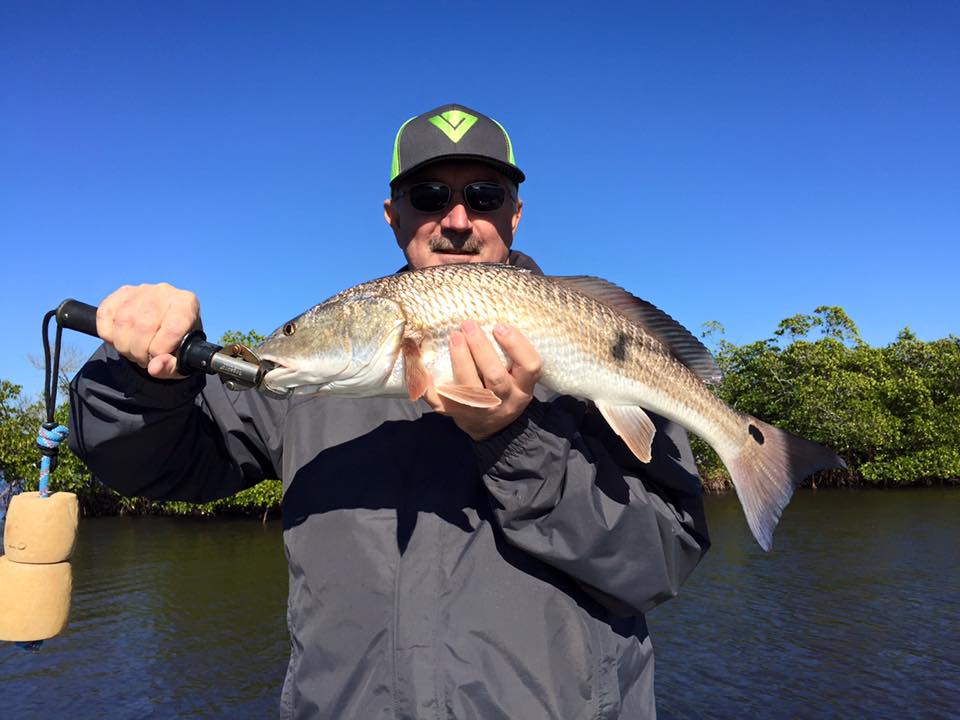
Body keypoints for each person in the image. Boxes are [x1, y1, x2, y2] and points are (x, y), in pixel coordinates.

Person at [69, 103, 710, 719]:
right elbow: (150, 465)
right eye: (428, 197)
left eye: (484, 196)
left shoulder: (606, 344)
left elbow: (659, 563)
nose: (457, 219)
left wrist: (517, 443)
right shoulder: (301, 388)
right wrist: (141, 373)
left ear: (515, 214)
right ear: (393, 216)